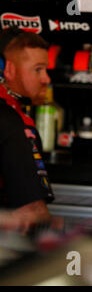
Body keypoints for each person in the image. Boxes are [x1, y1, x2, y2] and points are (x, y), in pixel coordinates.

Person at [0, 27, 55, 234]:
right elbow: (31, 211)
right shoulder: (14, 123)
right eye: (38, 69)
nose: (46, 79)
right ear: (9, 70)